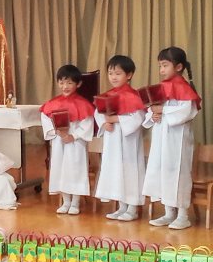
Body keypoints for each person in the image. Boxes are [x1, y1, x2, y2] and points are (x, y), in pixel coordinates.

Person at [143, 46, 201, 230]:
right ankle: (169, 213)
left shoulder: (183, 87)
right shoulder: (161, 87)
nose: (161, 70)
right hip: (161, 136)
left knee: (178, 173)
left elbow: (186, 111)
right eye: (160, 66)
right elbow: (151, 109)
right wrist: (153, 114)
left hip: (177, 139)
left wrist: (163, 110)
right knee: (162, 171)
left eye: (165, 65)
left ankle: (183, 215)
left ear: (178, 67)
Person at [93, 55, 146, 221]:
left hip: (128, 141)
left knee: (130, 171)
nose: (113, 77)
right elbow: (98, 113)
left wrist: (116, 119)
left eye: (118, 73)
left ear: (129, 75)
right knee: (116, 171)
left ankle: (132, 208)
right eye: (110, 73)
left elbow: (138, 117)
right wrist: (104, 123)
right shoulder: (107, 95)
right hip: (112, 140)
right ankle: (121, 206)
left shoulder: (134, 96)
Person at [40, 64, 95, 215]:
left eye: (70, 83)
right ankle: (66, 201)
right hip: (59, 141)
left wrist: (73, 136)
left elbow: (87, 123)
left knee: (75, 169)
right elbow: (45, 118)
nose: (65, 86)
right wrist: (57, 132)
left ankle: (75, 202)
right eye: (62, 82)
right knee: (60, 168)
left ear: (78, 84)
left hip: (75, 143)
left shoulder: (83, 104)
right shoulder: (53, 103)